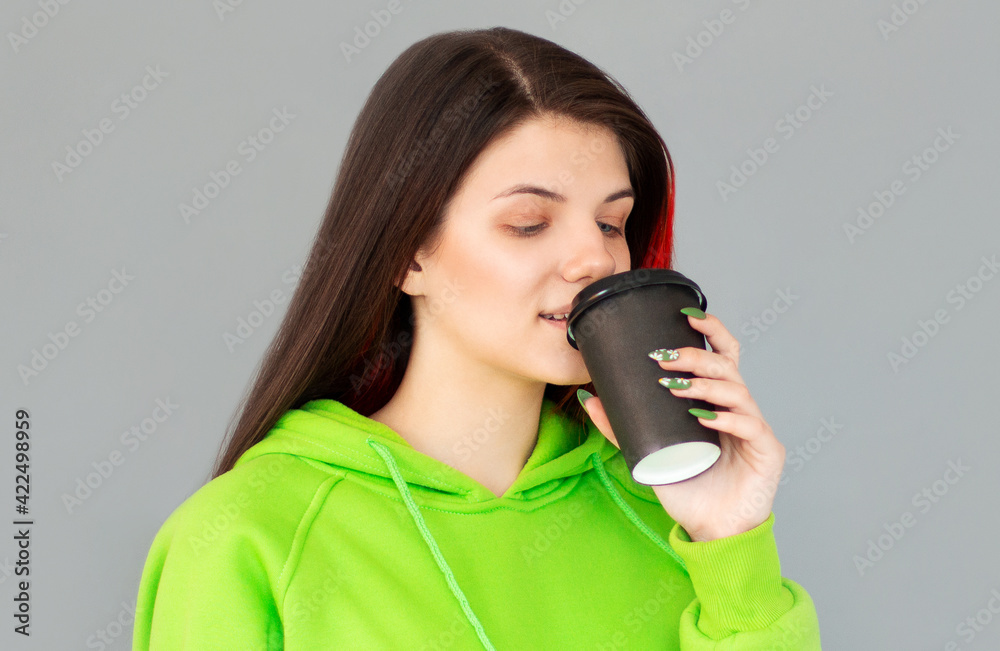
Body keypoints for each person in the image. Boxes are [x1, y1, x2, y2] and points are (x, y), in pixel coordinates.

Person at [132, 26, 822, 650]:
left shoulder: (667, 515)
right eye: (529, 222)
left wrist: (728, 538)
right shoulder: (244, 535)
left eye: (612, 224)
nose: (595, 260)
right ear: (409, 255)